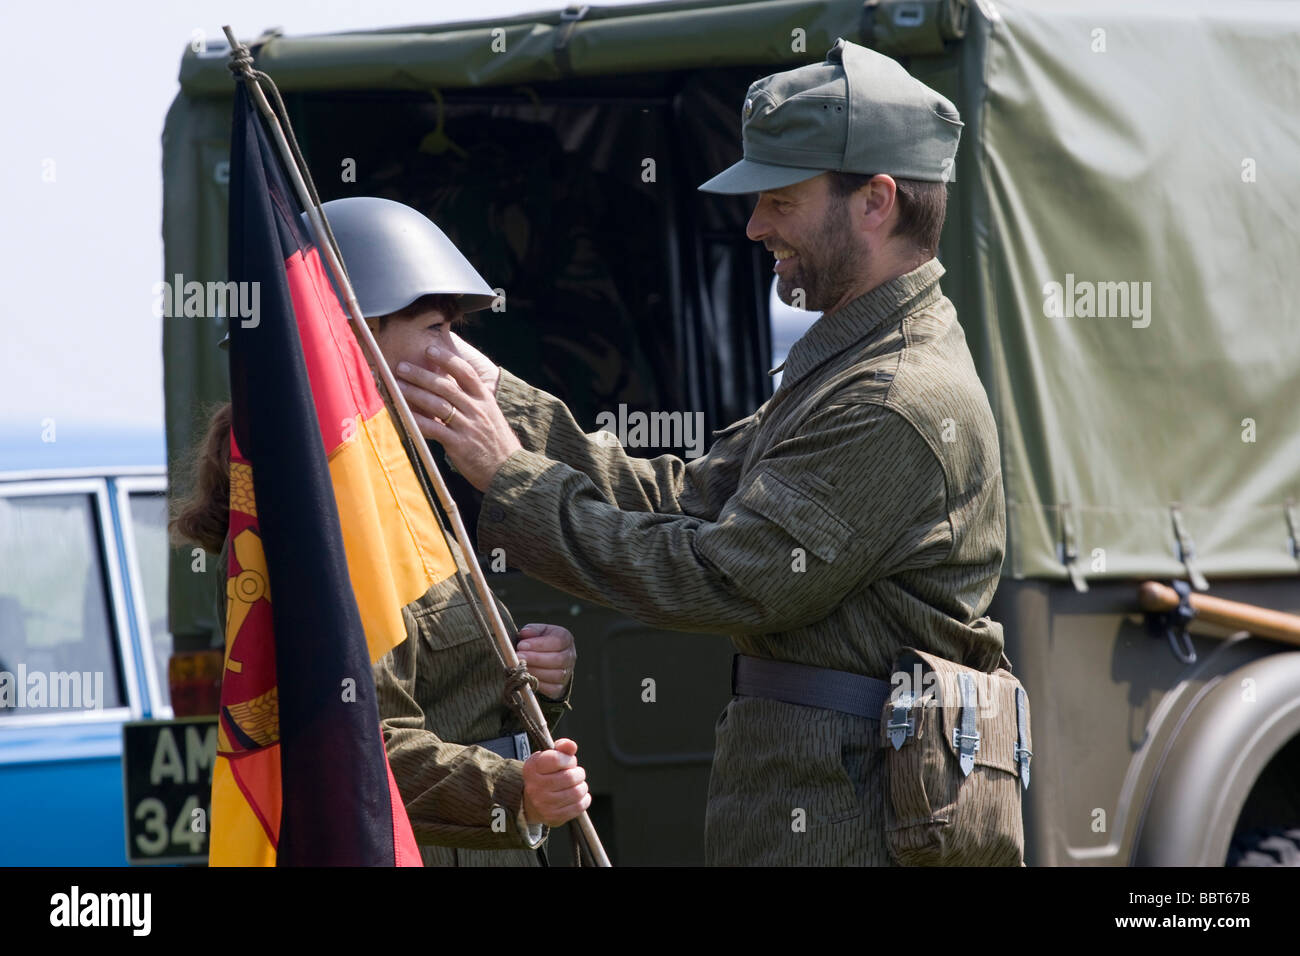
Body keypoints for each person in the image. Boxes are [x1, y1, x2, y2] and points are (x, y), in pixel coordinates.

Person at [393, 39, 1008, 865]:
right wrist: (496, 395)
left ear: (876, 202)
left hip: (851, 828)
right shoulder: (851, 365)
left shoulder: (894, 400)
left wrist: (509, 475)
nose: (755, 227)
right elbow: (679, 496)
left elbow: (720, 575)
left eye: (781, 201)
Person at [172, 197, 590, 866]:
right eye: (435, 328)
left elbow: (452, 697)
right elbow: (361, 741)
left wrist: (539, 675)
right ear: (351, 342)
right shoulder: (323, 516)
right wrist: (515, 792)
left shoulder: (394, 485)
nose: (461, 357)